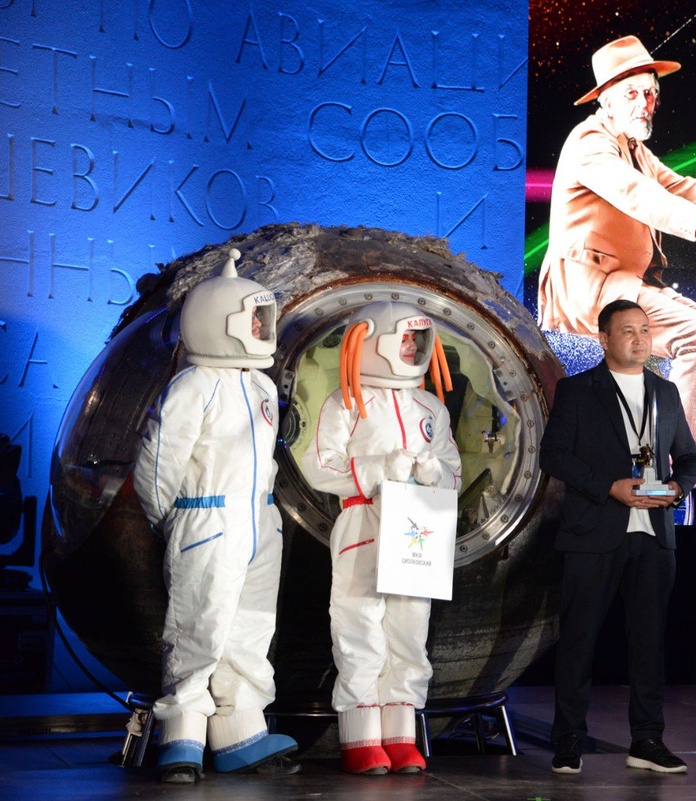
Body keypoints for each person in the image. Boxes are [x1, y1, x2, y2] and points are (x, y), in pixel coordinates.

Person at [538, 34, 696, 458]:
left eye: (650, 93)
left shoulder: (635, 149)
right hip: (589, 287)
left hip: (623, 283)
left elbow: (679, 186)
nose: (645, 103)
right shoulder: (590, 143)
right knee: (692, 333)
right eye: (633, 93)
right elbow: (636, 194)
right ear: (607, 100)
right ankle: (681, 453)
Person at [134, 249, 300, 783]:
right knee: (197, 627)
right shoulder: (194, 385)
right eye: (254, 318)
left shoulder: (260, 385)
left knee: (250, 628)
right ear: (217, 321)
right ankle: (182, 734)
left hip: (258, 522)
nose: (261, 328)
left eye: (264, 318)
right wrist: (173, 518)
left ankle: (239, 730)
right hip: (207, 519)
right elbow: (158, 462)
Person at [540, 299, 696, 775]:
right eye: (627, 330)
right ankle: (569, 738)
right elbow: (554, 455)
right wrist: (607, 487)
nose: (639, 338)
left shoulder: (665, 391)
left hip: (653, 534)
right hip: (594, 530)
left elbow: (688, 457)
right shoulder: (577, 390)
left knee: (649, 643)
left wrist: (677, 488)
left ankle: (647, 740)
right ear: (604, 338)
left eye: (645, 330)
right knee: (579, 640)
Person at [300, 302, 462, 775]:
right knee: (360, 626)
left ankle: (401, 733)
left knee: (410, 631)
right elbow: (320, 466)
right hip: (364, 521)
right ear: (370, 342)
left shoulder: (431, 407)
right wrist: (377, 470)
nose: (411, 348)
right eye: (403, 339)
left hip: (416, 526)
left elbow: (453, 468)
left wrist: (434, 473)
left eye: (417, 340)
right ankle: (360, 735)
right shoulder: (346, 402)